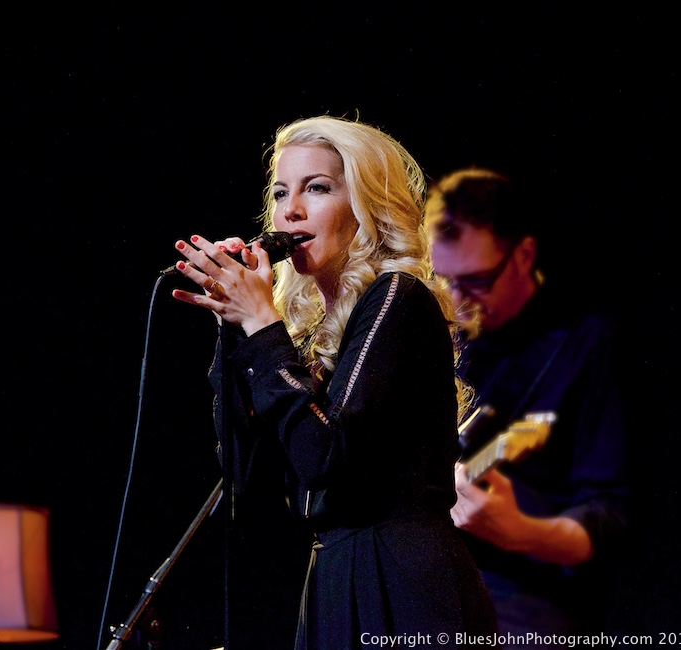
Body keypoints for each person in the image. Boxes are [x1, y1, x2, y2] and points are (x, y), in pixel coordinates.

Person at [170, 116, 498, 649]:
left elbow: (326, 456)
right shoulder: (309, 338)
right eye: (279, 194)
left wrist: (261, 327)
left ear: (364, 208)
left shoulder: (398, 298)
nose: (289, 210)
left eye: (316, 188)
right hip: (331, 577)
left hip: (400, 575)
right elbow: (244, 479)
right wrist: (234, 335)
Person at [423, 168, 629, 645]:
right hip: (427, 581)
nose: (456, 302)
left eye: (475, 282)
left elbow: (612, 519)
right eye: (444, 280)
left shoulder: (586, 344)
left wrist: (520, 531)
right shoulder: (441, 333)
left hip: (526, 598)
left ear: (524, 255)